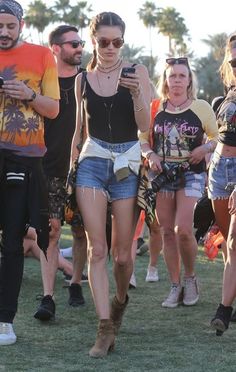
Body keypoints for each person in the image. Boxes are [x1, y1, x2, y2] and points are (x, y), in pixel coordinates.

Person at [70, 12, 151, 357]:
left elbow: (145, 123)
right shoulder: (82, 80)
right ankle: (104, 328)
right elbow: (78, 132)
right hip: (92, 161)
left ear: (123, 41)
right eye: (103, 41)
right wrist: (67, 173)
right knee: (97, 249)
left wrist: (135, 96)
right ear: (94, 41)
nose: (110, 48)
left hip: (127, 164)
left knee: (121, 257)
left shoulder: (137, 72)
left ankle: (119, 301)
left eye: (117, 41)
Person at [0, 0, 59, 345]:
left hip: (23, 159)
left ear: (20, 25)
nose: (4, 32)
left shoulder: (40, 56)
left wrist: (29, 93)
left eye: (9, 25)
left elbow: (52, 109)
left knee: (11, 242)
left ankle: (5, 319)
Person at [139, 57, 218, 309]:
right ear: (166, 80)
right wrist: (150, 156)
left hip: (192, 174)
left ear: (189, 80)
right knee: (165, 232)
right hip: (163, 177)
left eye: (181, 76)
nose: (176, 81)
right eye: (172, 76)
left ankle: (191, 277)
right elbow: (142, 139)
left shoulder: (201, 107)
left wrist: (204, 147)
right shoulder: (155, 108)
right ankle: (175, 286)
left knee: (182, 229)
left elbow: (217, 137)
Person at [34, 25, 87, 321]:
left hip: (83, 169)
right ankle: (48, 298)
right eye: (73, 44)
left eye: (80, 43)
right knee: (50, 232)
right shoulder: (43, 83)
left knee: (81, 233)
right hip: (49, 168)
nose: (80, 48)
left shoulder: (87, 82)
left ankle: (76, 282)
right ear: (56, 48)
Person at [209, 33, 236, 335]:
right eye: (233, 60)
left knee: (234, 241)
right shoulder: (229, 91)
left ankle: (223, 311)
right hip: (218, 168)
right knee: (229, 245)